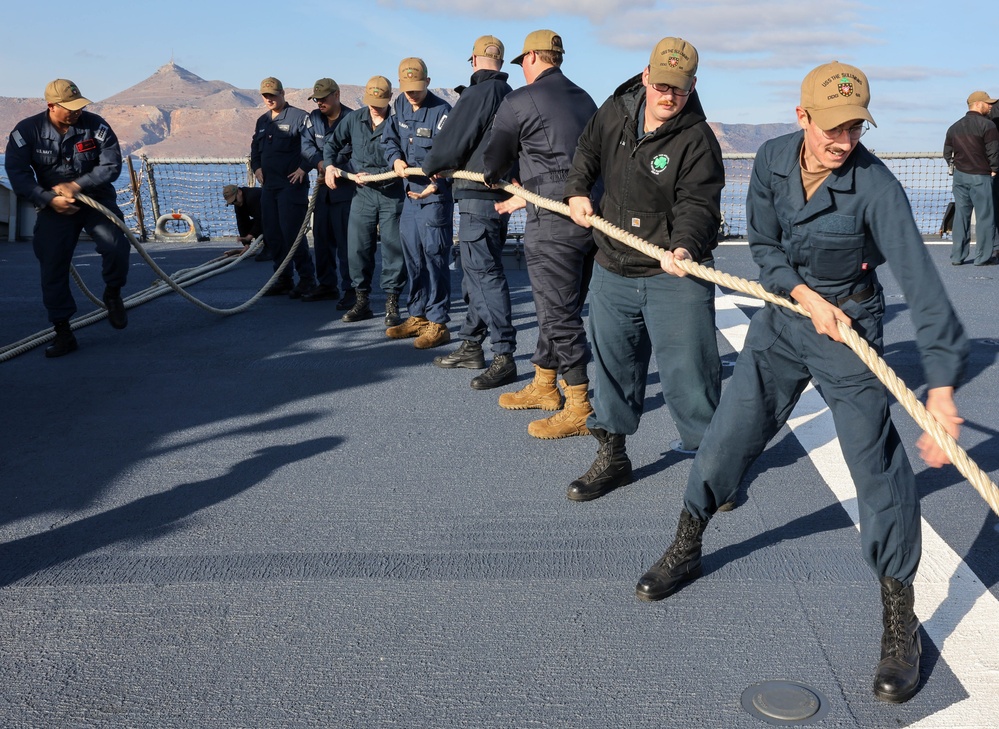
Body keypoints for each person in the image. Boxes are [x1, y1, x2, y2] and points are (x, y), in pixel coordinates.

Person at [635, 61, 968, 705]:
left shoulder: (875, 185)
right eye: (833, 129)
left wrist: (944, 386)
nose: (844, 142)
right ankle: (688, 539)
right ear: (802, 117)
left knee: (877, 467)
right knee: (728, 437)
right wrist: (800, 295)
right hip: (785, 323)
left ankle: (900, 619)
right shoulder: (770, 160)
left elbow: (924, 290)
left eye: (855, 128)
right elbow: (763, 243)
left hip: (849, 333)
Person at [563, 37, 724, 501]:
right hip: (613, 265)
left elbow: (698, 203)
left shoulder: (697, 139)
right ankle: (613, 455)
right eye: (662, 86)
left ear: (692, 87)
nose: (668, 96)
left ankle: (712, 467)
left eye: (679, 89)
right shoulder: (614, 110)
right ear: (646, 76)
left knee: (691, 375)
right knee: (612, 367)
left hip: (672, 271)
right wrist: (577, 188)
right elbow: (588, 150)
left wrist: (685, 246)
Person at [482, 29, 598, 439]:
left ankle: (580, 405)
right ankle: (545, 385)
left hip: (552, 223)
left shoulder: (519, 100)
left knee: (558, 313)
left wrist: (500, 181)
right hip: (590, 217)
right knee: (561, 304)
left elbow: (493, 162)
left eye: (523, 62)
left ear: (531, 57)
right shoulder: (586, 98)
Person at [5, 79, 130, 357]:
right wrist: (48, 198)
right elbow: (18, 173)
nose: (76, 112)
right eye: (69, 107)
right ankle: (62, 331)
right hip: (53, 206)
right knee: (52, 264)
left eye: (79, 106)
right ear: (51, 106)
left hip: (96, 199)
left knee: (117, 247)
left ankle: (112, 292)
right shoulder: (27, 131)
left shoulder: (96, 126)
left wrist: (77, 185)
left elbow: (111, 165)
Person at [422, 35, 518, 389]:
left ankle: (504, 354)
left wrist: (432, 164)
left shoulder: (478, 94)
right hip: (499, 198)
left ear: (474, 60)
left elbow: (453, 140)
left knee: (484, 273)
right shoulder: (511, 96)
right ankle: (471, 344)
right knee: (475, 272)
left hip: (477, 197)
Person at [381, 58, 454, 349]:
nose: (412, 93)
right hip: (410, 197)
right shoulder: (398, 105)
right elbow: (390, 139)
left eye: (417, 88)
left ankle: (438, 322)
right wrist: (395, 159)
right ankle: (418, 315)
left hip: (434, 198)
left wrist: (435, 185)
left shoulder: (442, 112)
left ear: (428, 82)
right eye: (407, 88)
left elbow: (451, 154)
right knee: (413, 257)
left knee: (435, 258)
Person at [324, 76, 407, 326]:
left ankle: (392, 303)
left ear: (389, 98)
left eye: (379, 102)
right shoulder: (353, 119)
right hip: (362, 195)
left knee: (394, 250)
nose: (374, 106)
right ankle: (362, 301)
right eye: (371, 101)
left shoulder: (398, 122)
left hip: (392, 193)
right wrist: (329, 166)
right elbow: (332, 143)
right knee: (357, 249)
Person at [249, 77, 318, 298]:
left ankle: (307, 279)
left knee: (292, 234)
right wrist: (257, 167)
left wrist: (304, 168)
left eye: (273, 95)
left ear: (282, 94)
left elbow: (313, 145)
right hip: (269, 187)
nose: (269, 99)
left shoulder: (300, 117)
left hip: (291, 187)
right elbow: (255, 149)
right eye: (265, 96)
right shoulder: (262, 121)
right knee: (273, 234)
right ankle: (283, 278)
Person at [300, 78, 355, 305]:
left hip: (346, 192)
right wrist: (321, 164)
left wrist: (333, 166)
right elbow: (305, 146)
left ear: (337, 95)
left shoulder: (353, 120)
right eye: (316, 99)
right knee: (321, 239)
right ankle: (326, 284)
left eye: (323, 99)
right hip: (323, 192)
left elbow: (355, 152)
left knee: (347, 243)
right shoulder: (313, 119)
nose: (319, 103)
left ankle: (352, 288)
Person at [943, 91, 999, 266]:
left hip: (960, 178)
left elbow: (947, 153)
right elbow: (993, 151)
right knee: (985, 218)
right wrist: (994, 169)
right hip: (980, 177)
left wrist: (956, 165)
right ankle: (983, 258)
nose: (990, 106)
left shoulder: (954, 127)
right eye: (987, 103)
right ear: (977, 104)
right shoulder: (988, 126)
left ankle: (957, 257)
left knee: (961, 216)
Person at [222, 184, 268, 260]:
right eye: (232, 203)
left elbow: (261, 218)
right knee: (250, 225)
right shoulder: (239, 203)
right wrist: (246, 244)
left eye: (235, 200)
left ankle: (270, 247)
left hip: (275, 216)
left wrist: (249, 236)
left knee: (266, 222)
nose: (235, 203)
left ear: (239, 192)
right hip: (264, 217)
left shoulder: (252, 197)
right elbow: (242, 223)